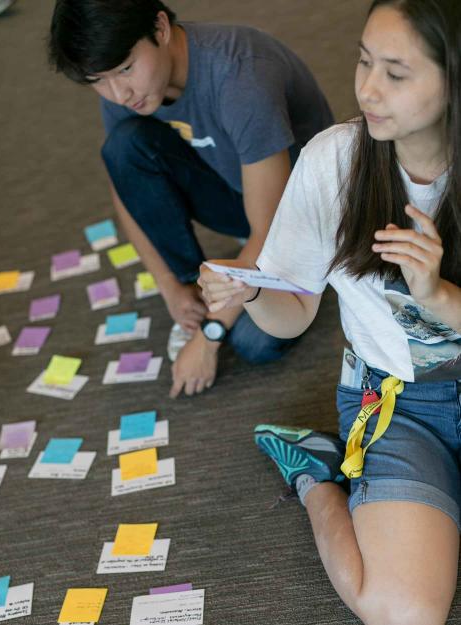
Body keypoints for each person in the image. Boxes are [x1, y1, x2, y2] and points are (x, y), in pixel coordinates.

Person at [200, 0, 460, 622]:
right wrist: (253, 292)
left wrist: (439, 295)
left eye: (396, 73)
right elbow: (293, 316)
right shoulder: (336, 160)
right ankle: (316, 476)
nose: (368, 89)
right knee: (405, 614)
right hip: (398, 401)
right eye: (364, 62)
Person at [48, 0, 333, 398]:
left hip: (303, 214)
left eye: (126, 69)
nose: (117, 92)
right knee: (123, 147)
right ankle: (200, 288)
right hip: (236, 191)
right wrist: (171, 287)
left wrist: (209, 335)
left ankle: (277, 284)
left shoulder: (239, 76)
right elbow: (125, 184)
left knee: (254, 343)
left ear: (160, 27)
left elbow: (271, 228)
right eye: (99, 79)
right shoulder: (125, 88)